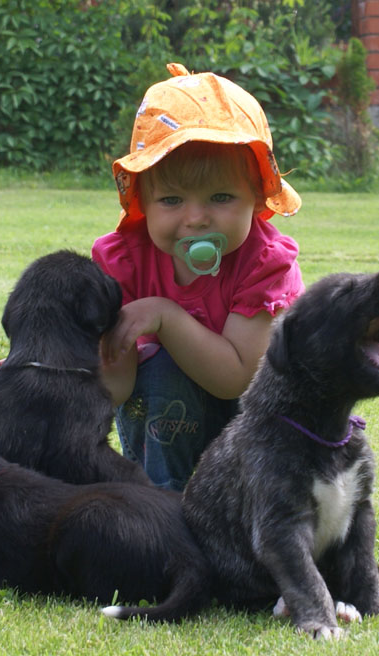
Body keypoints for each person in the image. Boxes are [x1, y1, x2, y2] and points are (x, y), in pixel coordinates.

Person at [93, 63, 305, 491]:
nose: (195, 218)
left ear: (257, 199)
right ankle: (161, 505)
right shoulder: (127, 260)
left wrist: (164, 316)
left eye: (221, 197)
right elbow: (116, 388)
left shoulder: (264, 263)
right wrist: (64, 369)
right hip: (161, 431)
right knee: (158, 371)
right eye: (171, 199)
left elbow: (235, 380)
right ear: (143, 203)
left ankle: (239, 511)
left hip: (256, 433)